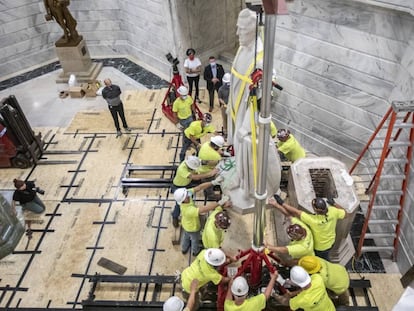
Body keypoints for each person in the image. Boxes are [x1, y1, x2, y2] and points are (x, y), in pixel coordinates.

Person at [227, 8, 281, 200]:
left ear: (253, 30)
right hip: (236, 108)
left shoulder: (260, 58)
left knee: (246, 149)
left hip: (248, 117)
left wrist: (245, 126)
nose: (237, 33)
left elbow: (264, 97)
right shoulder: (242, 48)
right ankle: (240, 178)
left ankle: (248, 188)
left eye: (241, 29)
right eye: (237, 28)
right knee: (236, 147)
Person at [272, 194, 348, 261]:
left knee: (322, 260)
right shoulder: (333, 211)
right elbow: (346, 214)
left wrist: (282, 203)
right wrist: (334, 203)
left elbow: (295, 212)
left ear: (315, 209)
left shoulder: (312, 220)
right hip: (331, 242)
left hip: (320, 248)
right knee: (326, 255)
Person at [174, 182, 229, 256]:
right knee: (195, 239)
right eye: (186, 196)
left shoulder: (186, 195)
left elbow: (199, 187)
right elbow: (204, 209)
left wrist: (213, 182)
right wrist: (220, 202)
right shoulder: (188, 210)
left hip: (186, 224)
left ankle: (184, 249)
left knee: (186, 236)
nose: (188, 195)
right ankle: (195, 251)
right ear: (183, 200)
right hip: (192, 227)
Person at [171, 156, 219, 228]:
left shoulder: (190, 161)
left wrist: (213, 182)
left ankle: (193, 211)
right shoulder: (182, 170)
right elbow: (195, 177)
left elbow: (199, 187)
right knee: (179, 205)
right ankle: (175, 217)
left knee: (190, 200)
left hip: (186, 185)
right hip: (179, 187)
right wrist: (209, 174)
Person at [218, 73, 231, 137]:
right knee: (225, 120)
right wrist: (224, 104)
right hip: (225, 106)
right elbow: (220, 98)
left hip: (232, 106)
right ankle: (225, 132)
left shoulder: (232, 88)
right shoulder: (221, 89)